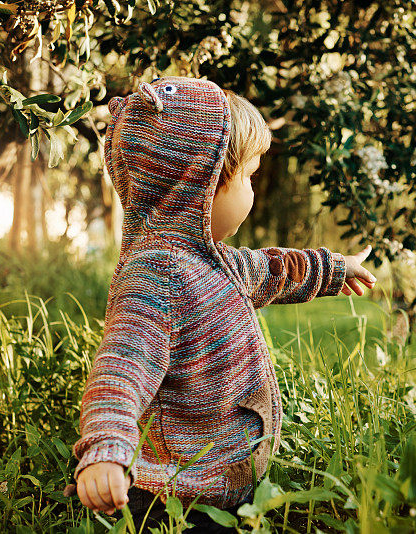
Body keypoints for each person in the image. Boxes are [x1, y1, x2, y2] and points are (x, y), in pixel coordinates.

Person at [70, 76, 378, 532]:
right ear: (201, 184)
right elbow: (122, 369)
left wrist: (333, 268)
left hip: (215, 483)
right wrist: (106, 448)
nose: (252, 193)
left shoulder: (207, 262)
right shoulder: (157, 276)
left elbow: (271, 270)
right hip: (176, 500)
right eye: (248, 177)